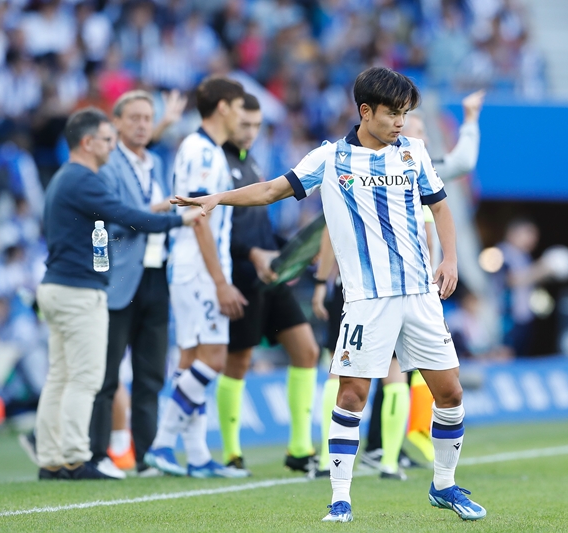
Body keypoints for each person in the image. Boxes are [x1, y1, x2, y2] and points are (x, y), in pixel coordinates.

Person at [175, 67, 486, 522]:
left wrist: (451, 259)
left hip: (420, 294)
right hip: (366, 299)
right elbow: (269, 191)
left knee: (451, 392)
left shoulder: (414, 153)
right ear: (365, 111)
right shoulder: (330, 158)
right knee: (352, 396)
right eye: (393, 114)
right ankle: (340, 497)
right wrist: (217, 198)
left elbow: (439, 205)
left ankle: (444, 485)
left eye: (406, 114)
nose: (401, 122)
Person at [310, 89, 485, 478]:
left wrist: (471, 121)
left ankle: (390, 455)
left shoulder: (420, 159)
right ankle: (343, 465)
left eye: (414, 121)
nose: (407, 127)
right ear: (370, 114)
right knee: (348, 380)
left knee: (407, 381)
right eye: (401, 117)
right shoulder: (339, 161)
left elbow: (457, 174)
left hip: (418, 290)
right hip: (367, 291)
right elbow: (327, 228)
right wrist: (322, 279)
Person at [36, 107, 197, 481]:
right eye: (107, 140)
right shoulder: (83, 180)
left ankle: (51, 459)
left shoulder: (64, 178)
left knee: (60, 376)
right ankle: (76, 459)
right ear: (88, 142)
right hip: (79, 289)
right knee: (85, 378)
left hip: (55, 285)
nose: (112, 148)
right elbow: (130, 216)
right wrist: (180, 218)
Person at [144, 76, 249, 479]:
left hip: (189, 266)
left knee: (190, 360)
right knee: (213, 358)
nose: (241, 116)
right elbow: (199, 219)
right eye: (239, 107)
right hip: (199, 267)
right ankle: (162, 444)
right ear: (223, 107)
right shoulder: (203, 152)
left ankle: (198, 455)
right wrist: (221, 281)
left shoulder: (204, 148)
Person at [216, 92, 320, 475]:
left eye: (256, 126)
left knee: (306, 350)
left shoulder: (250, 161)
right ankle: (230, 453)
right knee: (238, 360)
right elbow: (212, 226)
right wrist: (252, 255)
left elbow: (259, 225)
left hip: (269, 273)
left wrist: (289, 254)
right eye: (244, 124)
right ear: (226, 118)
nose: (250, 133)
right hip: (241, 276)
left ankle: (298, 448)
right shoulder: (214, 161)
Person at [88, 90, 182, 479]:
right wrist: (154, 214)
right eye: (135, 118)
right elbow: (107, 219)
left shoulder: (156, 162)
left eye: (148, 118)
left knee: (150, 373)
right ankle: (97, 454)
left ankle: (146, 456)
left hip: (156, 275)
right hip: (121, 277)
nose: (142, 124)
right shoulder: (107, 166)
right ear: (118, 123)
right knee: (107, 373)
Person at [496, 218, 553, 356]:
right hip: (508, 318)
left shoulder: (524, 256)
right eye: (529, 233)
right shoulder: (503, 252)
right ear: (512, 233)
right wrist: (540, 269)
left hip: (524, 317)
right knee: (508, 355)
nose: (533, 239)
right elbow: (512, 280)